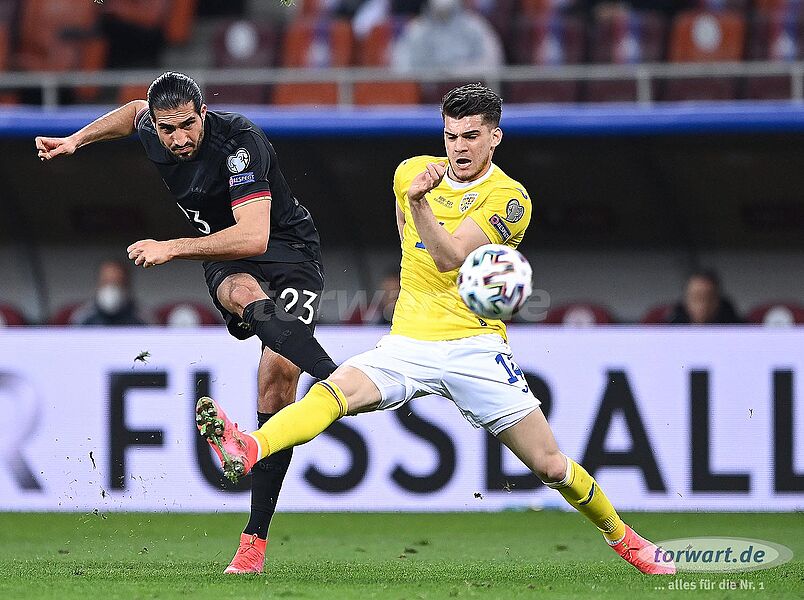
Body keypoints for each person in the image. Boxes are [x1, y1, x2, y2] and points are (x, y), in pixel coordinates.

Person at [196, 83, 675, 575]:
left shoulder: (510, 199)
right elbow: (411, 245)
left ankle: (626, 539)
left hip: (475, 347)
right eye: (451, 136)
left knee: (551, 465)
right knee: (331, 393)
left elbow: (448, 258)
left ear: (495, 137)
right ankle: (248, 447)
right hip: (408, 342)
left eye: (471, 136)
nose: (459, 147)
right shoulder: (410, 171)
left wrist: (421, 203)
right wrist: (417, 203)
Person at [34, 71, 339, 575]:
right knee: (243, 294)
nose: (177, 138)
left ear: (203, 113)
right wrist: (76, 140)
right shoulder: (150, 125)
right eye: (167, 128)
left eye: (186, 125)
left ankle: (253, 542)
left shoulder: (239, 144)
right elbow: (132, 112)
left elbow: (254, 237)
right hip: (225, 254)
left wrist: (172, 247)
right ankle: (342, 380)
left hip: (288, 252)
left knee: (279, 375)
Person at [390, 0, 504, 72]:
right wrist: (432, 76)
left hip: (467, 95)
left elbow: (492, 62)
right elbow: (401, 67)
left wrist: (458, 73)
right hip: (427, 96)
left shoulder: (475, 26)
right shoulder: (416, 30)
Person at [71, 258, 147, 326]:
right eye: (106, 282)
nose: (111, 287)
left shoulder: (142, 318)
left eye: (117, 283)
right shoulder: (82, 318)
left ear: (127, 285)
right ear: (98, 284)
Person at [668, 269, 743, 324]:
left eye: (709, 298)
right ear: (686, 300)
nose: (703, 305)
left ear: (718, 300)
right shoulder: (670, 330)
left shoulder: (739, 330)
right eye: (696, 297)